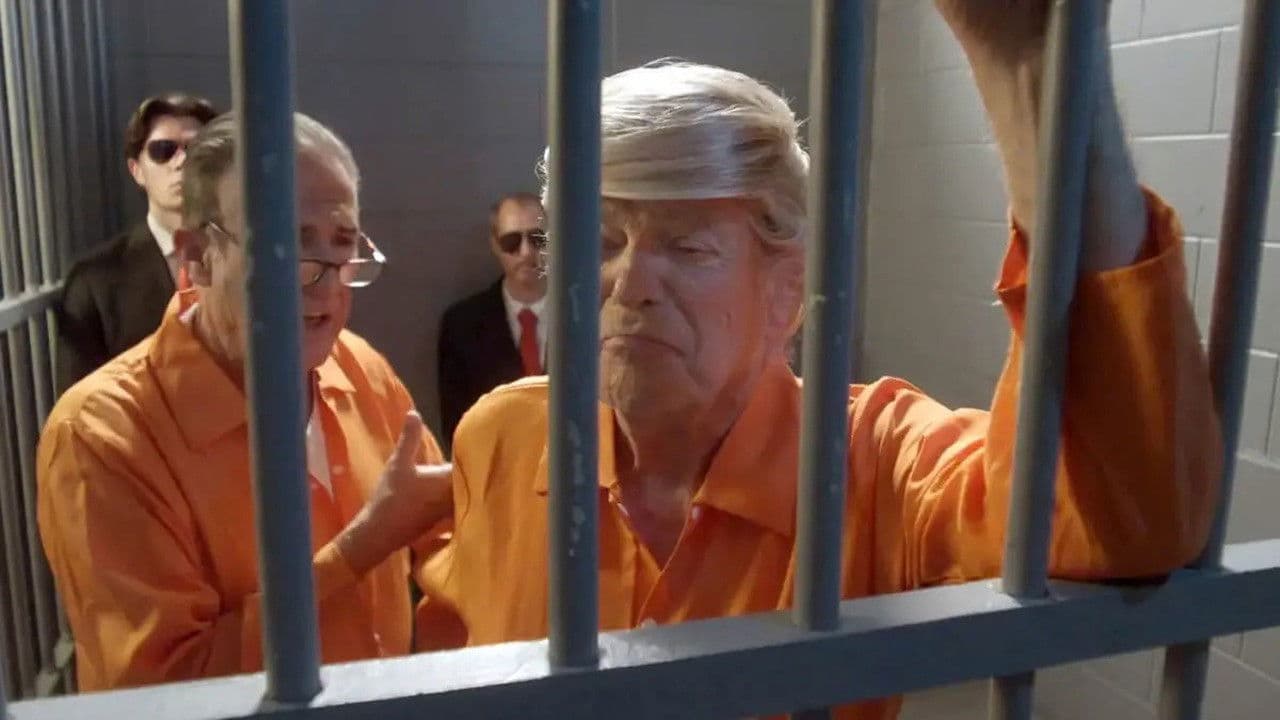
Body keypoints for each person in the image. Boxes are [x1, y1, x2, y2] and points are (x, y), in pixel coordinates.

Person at [416, 3, 1222, 719]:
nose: (630, 284)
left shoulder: (872, 459)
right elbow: (458, 657)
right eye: (602, 242)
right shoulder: (502, 434)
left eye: (688, 247)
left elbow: (1127, 524)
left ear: (788, 291)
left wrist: (1032, 65)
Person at [37, 112, 452, 691]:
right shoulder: (101, 435)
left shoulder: (360, 368)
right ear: (197, 255)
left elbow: (447, 548)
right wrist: (362, 547)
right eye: (289, 247)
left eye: (343, 245)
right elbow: (163, 689)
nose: (327, 285)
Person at [55, 93, 218, 396]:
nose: (182, 161)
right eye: (163, 150)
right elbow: (79, 403)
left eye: (197, 149)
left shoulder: (251, 261)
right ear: (137, 170)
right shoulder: (95, 280)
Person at [437, 192, 547, 444]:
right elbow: (457, 429)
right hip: (494, 464)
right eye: (511, 241)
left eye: (537, 238)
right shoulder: (461, 326)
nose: (526, 252)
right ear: (495, 245)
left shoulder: (589, 318)